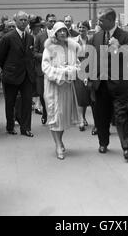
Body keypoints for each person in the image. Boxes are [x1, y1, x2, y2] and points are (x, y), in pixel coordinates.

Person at [88, 8, 128, 161]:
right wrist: (89, 78)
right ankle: (103, 143)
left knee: (121, 116)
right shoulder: (96, 37)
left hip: (118, 85)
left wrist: (118, 48)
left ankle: (126, 147)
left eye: (101, 20)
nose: (98, 22)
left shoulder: (125, 36)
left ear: (111, 20)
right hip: (100, 84)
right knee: (101, 116)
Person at [42, 21, 82, 160]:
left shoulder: (72, 47)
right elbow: (45, 67)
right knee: (55, 116)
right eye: (60, 31)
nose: (63, 33)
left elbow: (77, 65)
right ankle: (58, 145)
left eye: (64, 30)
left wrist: (70, 71)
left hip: (66, 87)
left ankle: (59, 141)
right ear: (55, 33)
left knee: (63, 116)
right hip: (53, 87)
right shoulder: (49, 48)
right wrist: (60, 73)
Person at [0, 11, 35, 138]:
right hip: (11, 75)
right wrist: (7, 69)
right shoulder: (7, 38)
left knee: (27, 102)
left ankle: (26, 128)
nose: (23, 22)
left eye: (25, 20)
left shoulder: (30, 37)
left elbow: (30, 55)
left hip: (27, 75)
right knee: (10, 102)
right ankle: (10, 126)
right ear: (16, 21)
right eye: (21, 20)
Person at [73, 20, 96, 133]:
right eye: (79, 27)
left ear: (88, 29)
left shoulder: (91, 40)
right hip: (78, 71)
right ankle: (81, 120)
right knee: (80, 95)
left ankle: (85, 118)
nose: (81, 29)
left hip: (90, 71)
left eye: (83, 27)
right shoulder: (73, 41)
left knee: (88, 95)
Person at [33, 13, 57, 124]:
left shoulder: (60, 34)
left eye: (54, 21)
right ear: (46, 22)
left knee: (56, 93)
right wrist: (45, 56)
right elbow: (34, 52)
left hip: (56, 69)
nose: (52, 23)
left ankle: (54, 114)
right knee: (42, 93)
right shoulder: (39, 36)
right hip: (42, 70)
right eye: (50, 21)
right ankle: (45, 112)